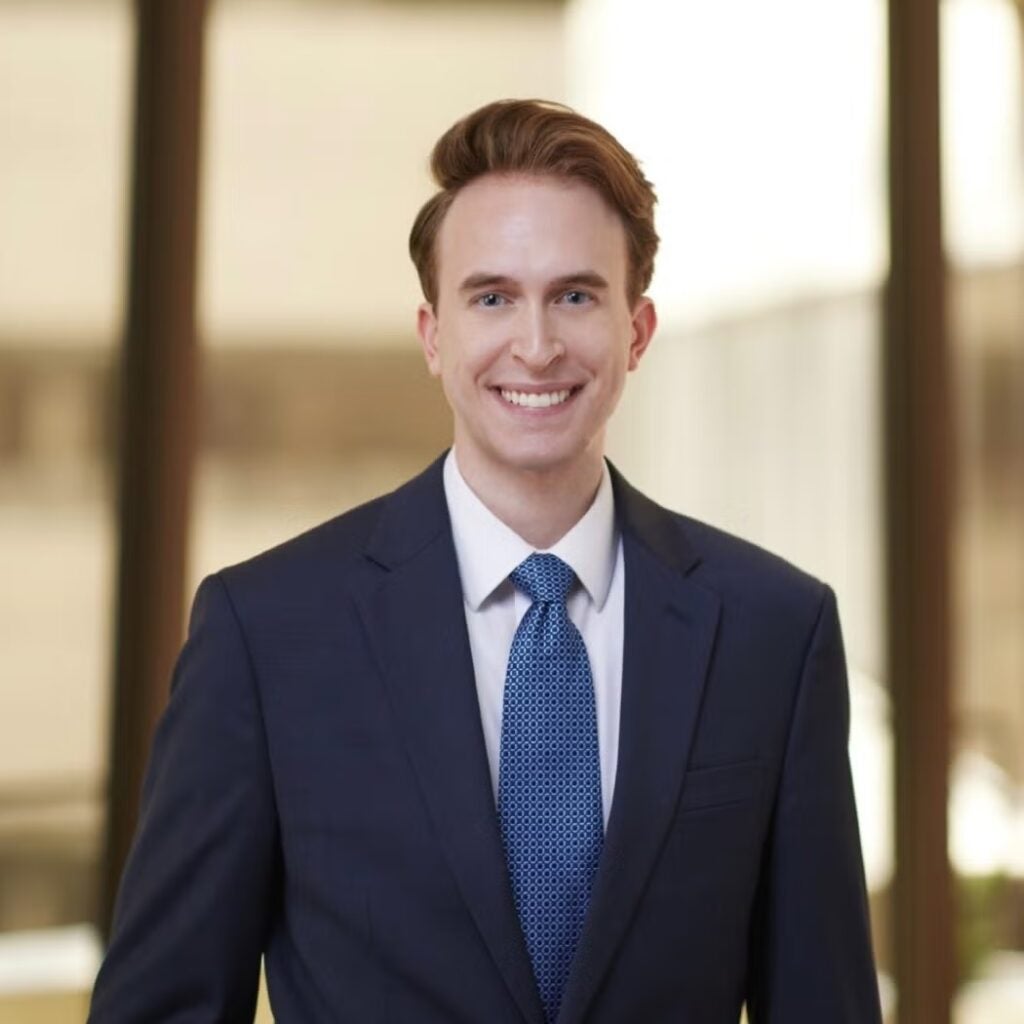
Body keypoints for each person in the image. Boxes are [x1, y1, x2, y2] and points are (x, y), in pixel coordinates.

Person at [89, 99, 882, 1023]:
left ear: (637, 330)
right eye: (493, 296)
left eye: (576, 295)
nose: (536, 345)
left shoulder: (772, 634)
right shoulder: (265, 636)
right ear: (435, 335)